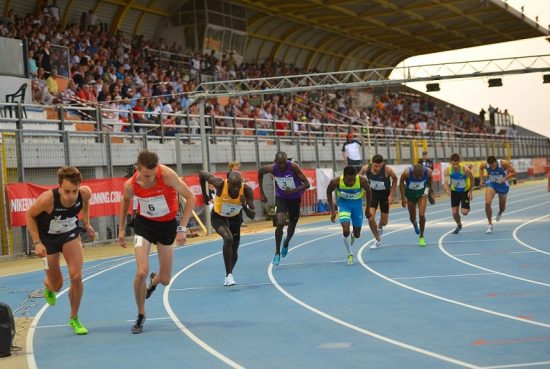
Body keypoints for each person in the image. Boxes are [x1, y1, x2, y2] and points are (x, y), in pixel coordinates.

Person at [118, 150, 195, 334]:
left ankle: (154, 281)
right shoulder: (131, 184)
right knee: (141, 271)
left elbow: (190, 198)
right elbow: (125, 202)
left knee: (166, 280)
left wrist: (182, 228)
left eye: (153, 176)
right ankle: (141, 313)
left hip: (167, 226)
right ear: (138, 169)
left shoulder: (167, 175)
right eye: (146, 176)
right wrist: (121, 229)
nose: (150, 180)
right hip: (144, 225)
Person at [25, 166, 95, 335]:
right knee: (57, 285)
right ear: (59, 187)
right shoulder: (47, 199)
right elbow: (29, 215)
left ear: (79, 186)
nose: (71, 196)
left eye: (74, 191)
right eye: (66, 191)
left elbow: (85, 203)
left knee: (76, 277)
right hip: (48, 240)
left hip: (70, 235)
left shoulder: (85, 193)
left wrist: (86, 223)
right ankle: (48, 285)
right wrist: (37, 243)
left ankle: (74, 318)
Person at [199, 171, 256, 286]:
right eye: (233, 185)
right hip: (218, 216)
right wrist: (205, 194)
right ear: (228, 182)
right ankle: (229, 275)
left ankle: (228, 274)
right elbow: (202, 174)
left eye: (238, 186)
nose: (235, 189)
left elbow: (252, 215)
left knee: (234, 249)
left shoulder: (246, 190)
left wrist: (244, 206)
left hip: (235, 218)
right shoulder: (220, 184)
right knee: (228, 238)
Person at [259, 152, 310, 266]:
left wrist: (293, 190)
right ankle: (277, 253)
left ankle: (286, 242)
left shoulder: (293, 166)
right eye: (279, 163)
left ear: (287, 161)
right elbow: (260, 171)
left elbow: (307, 184)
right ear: (275, 161)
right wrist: (262, 193)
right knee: (280, 223)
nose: (281, 166)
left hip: (294, 198)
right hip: (281, 197)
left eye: (283, 163)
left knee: (292, 225)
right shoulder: (272, 168)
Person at [326, 166, 379, 265]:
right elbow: (329, 192)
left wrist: (367, 209)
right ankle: (350, 254)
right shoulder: (336, 181)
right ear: (344, 176)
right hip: (344, 205)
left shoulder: (362, 180)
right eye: (348, 180)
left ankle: (353, 235)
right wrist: (333, 210)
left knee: (357, 234)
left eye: (353, 180)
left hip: (357, 206)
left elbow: (369, 192)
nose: (351, 182)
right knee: (345, 229)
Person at [359, 154, 397, 249]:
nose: (377, 168)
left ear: (383, 164)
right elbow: (358, 178)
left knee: (384, 222)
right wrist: (363, 190)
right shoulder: (365, 169)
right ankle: (377, 239)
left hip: (385, 196)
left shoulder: (387, 170)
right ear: (372, 163)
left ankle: (380, 226)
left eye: (380, 166)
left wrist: (391, 195)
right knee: (370, 218)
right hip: (373, 195)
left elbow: (395, 179)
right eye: (376, 166)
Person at [479, 156, 516, 234]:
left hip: (502, 185)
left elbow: (514, 172)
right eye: (491, 166)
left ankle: (500, 212)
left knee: (502, 207)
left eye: (494, 166)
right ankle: (490, 225)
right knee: (487, 203)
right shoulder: (484, 164)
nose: (493, 168)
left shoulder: (504, 163)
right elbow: (481, 168)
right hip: (492, 184)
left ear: (496, 162)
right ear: (488, 164)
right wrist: (481, 180)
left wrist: (505, 178)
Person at [399, 163, 433, 247]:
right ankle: (414, 224)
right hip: (410, 195)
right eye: (417, 177)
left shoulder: (428, 172)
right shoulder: (407, 173)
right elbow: (401, 183)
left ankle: (421, 236)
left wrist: (429, 193)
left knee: (422, 215)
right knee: (412, 217)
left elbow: (430, 180)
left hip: (422, 193)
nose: (420, 178)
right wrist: (403, 197)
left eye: (421, 176)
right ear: (413, 172)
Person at [443, 153, 474, 234]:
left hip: (465, 191)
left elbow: (472, 179)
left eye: (457, 164)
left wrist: (470, 191)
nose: (455, 166)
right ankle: (459, 225)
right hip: (455, 191)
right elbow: (445, 183)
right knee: (454, 212)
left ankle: (467, 206)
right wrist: (447, 190)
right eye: (453, 164)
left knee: (464, 213)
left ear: (460, 162)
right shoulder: (447, 170)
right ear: (450, 163)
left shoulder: (465, 170)